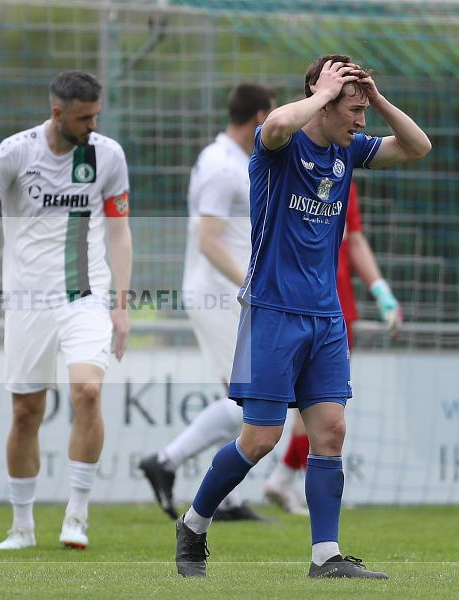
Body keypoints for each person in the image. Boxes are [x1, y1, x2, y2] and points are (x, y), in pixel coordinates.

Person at [174, 54, 431, 579]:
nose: (361, 121)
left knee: (331, 431)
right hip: (272, 311)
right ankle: (194, 524)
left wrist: (376, 98)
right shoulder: (280, 147)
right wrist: (323, 92)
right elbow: (276, 124)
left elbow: (417, 146)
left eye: (364, 111)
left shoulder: (348, 151)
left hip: (326, 316)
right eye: (353, 110)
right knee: (260, 440)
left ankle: (325, 556)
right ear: (323, 101)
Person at [0, 70, 132, 550]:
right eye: (84, 118)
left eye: (96, 116)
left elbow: (119, 230)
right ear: (57, 113)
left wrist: (122, 303)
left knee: (88, 391)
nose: (92, 125)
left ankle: (77, 515)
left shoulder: (108, 155)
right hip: (27, 300)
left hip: (84, 294)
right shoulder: (16, 151)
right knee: (26, 411)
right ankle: (22, 527)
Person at [138, 83, 277, 523]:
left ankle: (223, 498)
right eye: (273, 114)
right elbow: (209, 241)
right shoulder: (221, 165)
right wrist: (252, 285)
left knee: (241, 399)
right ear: (260, 116)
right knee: (246, 400)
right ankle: (166, 461)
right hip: (219, 293)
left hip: (230, 292)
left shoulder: (236, 160)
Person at [263, 181, 402, 514]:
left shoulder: (343, 176)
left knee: (322, 410)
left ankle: (287, 481)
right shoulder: (284, 168)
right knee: (307, 412)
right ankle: (310, 491)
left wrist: (381, 291)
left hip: (337, 308)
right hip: (292, 305)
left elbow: (354, 238)